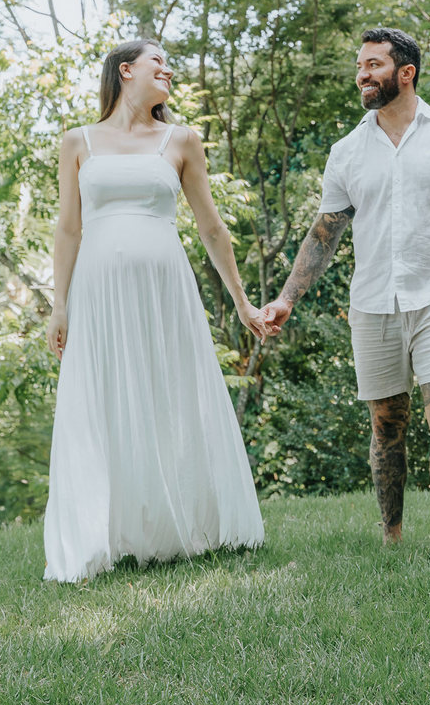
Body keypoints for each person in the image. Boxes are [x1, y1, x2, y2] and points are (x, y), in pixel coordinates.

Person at [260, 28, 430, 559]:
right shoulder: (348, 151)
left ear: (406, 72)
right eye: (359, 66)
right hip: (372, 299)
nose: (362, 75)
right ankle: (392, 536)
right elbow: (325, 232)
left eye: (373, 64)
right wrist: (286, 299)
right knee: (387, 421)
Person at [43, 39, 267, 582]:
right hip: (97, 292)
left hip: (165, 288)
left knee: (170, 396)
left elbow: (211, 227)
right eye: (157, 63)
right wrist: (59, 305)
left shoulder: (182, 140)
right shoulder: (78, 142)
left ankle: (179, 525)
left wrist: (241, 300)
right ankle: (99, 532)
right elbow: (68, 228)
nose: (168, 71)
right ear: (126, 71)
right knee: (103, 398)